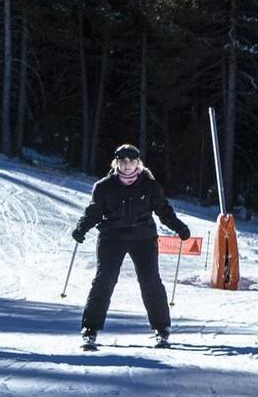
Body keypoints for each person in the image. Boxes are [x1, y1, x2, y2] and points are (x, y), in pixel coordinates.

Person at [71, 143, 189, 350]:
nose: (127, 166)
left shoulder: (150, 186)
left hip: (143, 238)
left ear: (138, 163)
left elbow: (163, 210)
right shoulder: (104, 186)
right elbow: (94, 212)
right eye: (122, 161)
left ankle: (161, 328)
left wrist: (179, 227)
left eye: (131, 161)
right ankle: (90, 328)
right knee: (104, 279)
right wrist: (82, 228)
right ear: (116, 163)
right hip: (112, 237)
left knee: (150, 280)